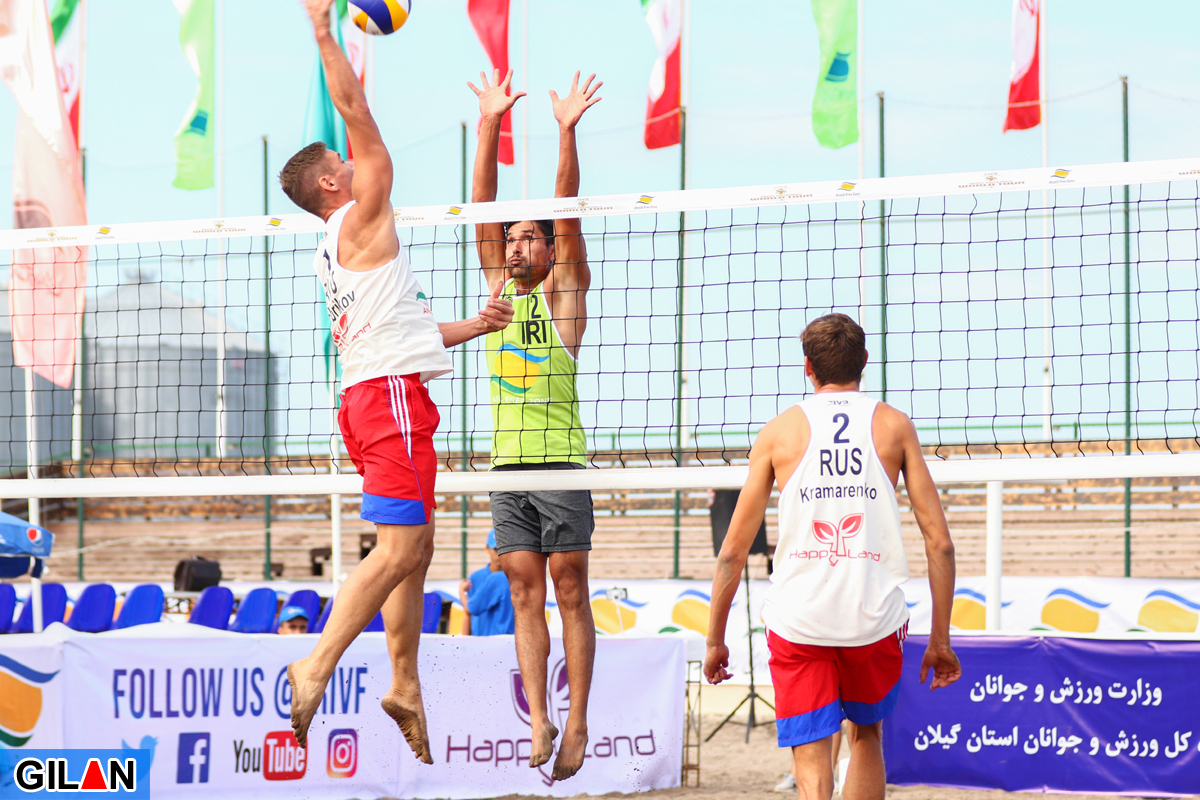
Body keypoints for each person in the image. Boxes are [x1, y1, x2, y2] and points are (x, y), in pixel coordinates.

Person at [279, 0, 514, 763]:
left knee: (417, 547)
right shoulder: (360, 211)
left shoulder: (340, 246)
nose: (355, 162)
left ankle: (405, 684)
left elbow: (402, 329)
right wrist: (324, 30)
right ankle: (315, 664)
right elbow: (357, 110)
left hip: (373, 392)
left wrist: (474, 325)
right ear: (330, 181)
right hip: (388, 400)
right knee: (400, 547)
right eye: (341, 163)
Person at [704, 313, 961, 800]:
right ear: (864, 360)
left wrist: (715, 639)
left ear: (808, 367)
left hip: (799, 619)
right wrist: (941, 640)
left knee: (810, 754)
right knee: (866, 735)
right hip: (873, 618)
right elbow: (941, 544)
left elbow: (732, 553)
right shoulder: (894, 425)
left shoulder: (779, 432)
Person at [468, 68, 601, 780]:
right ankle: (541, 718)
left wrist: (565, 132)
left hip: (560, 461)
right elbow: (480, 210)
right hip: (506, 466)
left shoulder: (564, 294)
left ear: (550, 252)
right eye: (512, 239)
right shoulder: (497, 290)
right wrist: (490, 123)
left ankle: (577, 720)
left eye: (530, 239)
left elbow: (568, 213)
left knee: (569, 587)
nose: (516, 246)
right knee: (523, 590)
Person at [458, 529, 515, 636]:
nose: (500, 555)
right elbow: (468, 613)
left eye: (504, 550)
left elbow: (470, 609)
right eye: (496, 549)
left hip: (504, 640)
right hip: (480, 640)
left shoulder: (513, 578)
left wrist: (461, 592)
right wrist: (465, 641)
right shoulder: (475, 577)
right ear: (487, 548)